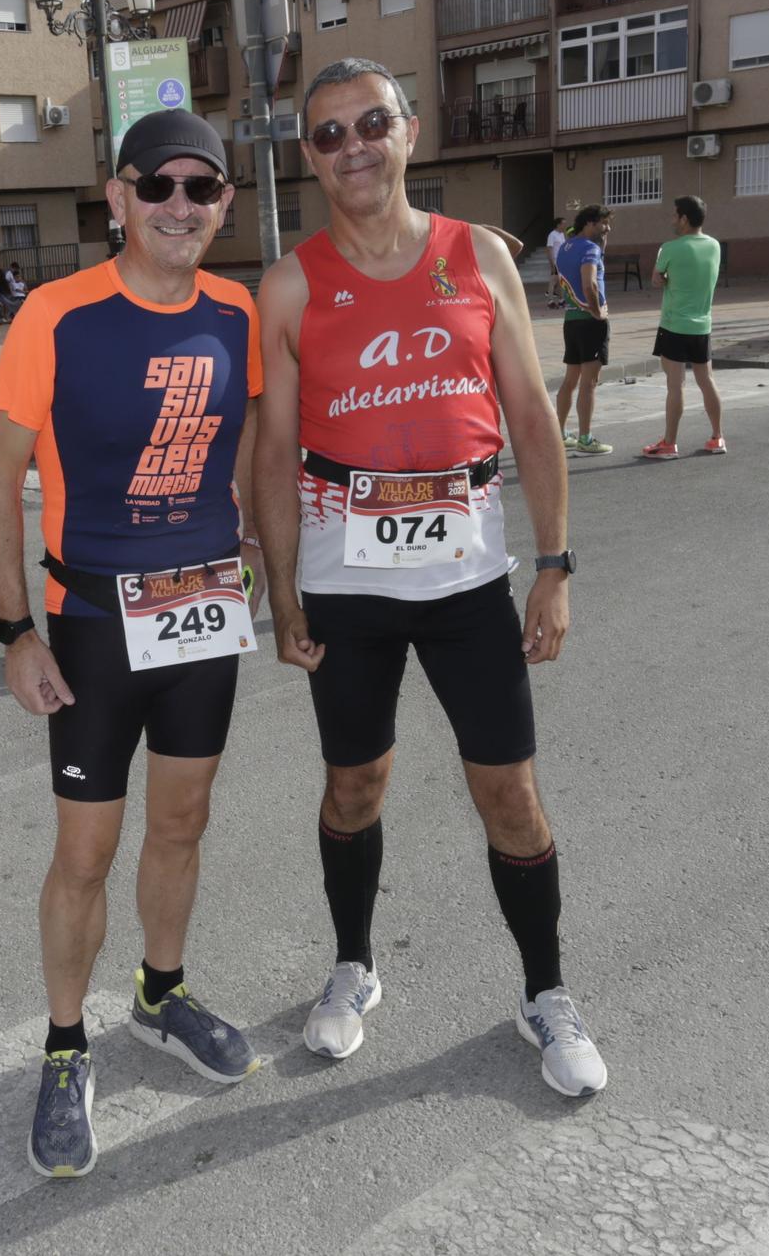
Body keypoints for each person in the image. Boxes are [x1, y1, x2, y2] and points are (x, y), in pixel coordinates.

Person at [251, 57, 606, 1097]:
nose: (352, 145)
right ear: (307, 157)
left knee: (509, 794)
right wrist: (281, 596)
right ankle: (352, 967)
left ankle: (544, 991)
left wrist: (552, 566)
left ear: (409, 131)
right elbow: (271, 455)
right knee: (353, 785)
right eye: (326, 134)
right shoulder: (288, 282)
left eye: (370, 123)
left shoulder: (479, 256)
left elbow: (533, 421)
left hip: (466, 577)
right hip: (342, 578)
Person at [0, 109, 264, 1179]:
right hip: (92, 623)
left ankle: (160, 989)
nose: (180, 206)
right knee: (84, 852)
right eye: (159, 187)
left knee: (182, 820)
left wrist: (260, 546)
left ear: (224, 203)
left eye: (202, 188)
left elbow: (250, 452)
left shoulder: (236, 312)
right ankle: (63, 1045)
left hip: (200, 615)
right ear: (117, 196)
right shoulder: (55, 315)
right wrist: (15, 631)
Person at [642, 195, 724, 459]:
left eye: (674, 215)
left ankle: (669, 443)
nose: (672, 219)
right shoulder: (714, 245)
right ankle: (717, 437)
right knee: (707, 381)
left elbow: (657, 279)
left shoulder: (669, 248)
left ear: (684, 219)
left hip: (674, 324)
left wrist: (666, 276)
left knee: (675, 386)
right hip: (703, 325)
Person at [554, 205, 614, 456]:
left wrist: (603, 239)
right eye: (604, 223)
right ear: (590, 223)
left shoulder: (567, 247)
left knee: (571, 379)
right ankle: (586, 439)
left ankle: (560, 434)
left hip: (571, 320)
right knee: (589, 383)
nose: (607, 227)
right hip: (590, 322)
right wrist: (597, 310)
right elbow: (589, 281)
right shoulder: (589, 250)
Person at [544, 216, 569, 309]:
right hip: (555, 261)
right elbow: (549, 249)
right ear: (558, 225)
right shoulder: (552, 235)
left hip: (562, 261)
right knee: (553, 281)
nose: (564, 226)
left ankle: (561, 300)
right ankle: (550, 301)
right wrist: (551, 263)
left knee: (560, 281)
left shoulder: (562, 234)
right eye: (563, 224)